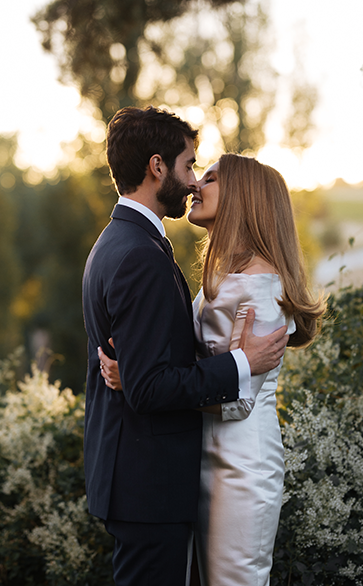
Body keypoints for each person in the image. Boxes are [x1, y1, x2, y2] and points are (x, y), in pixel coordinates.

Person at [82, 106, 289, 586]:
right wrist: (241, 362)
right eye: (191, 165)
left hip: (215, 468)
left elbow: (159, 368)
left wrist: (134, 373)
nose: (194, 182)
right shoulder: (140, 254)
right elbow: (155, 383)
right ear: (158, 167)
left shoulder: (118, 243)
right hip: (151, 483)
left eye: (203, 173)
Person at [103, 153, 326, 586]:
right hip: (201, 458)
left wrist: (138, 381)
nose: (194, 185)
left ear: (244, 196)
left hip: (240, 467)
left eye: (210, 177)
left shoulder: (260, 288)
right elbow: (193, 365)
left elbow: (238, 400)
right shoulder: (226, 278)